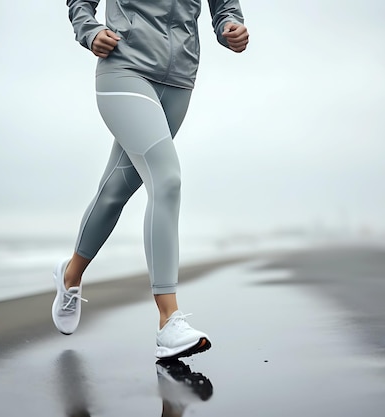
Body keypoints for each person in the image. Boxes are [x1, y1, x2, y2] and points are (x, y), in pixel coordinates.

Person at [52, 0, 249, 360]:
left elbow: (225, 8)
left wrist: (230, 27)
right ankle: (168, 320)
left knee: (115, 190)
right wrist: (90, 30)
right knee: (167, 179)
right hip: (124, 69)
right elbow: (81, 3)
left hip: (178, 81)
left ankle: (70, 275)